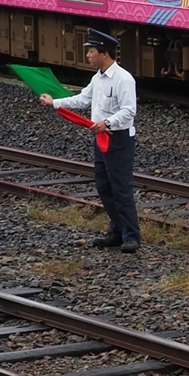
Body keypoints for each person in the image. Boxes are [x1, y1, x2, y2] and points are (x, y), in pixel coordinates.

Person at [46, 31, 140, 251]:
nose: (88, 55)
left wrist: (107, 123)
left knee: (121, 188)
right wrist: (54, 103)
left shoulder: (123, 79)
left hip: (118, 139)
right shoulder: (98, 78)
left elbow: (129, 110)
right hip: (101, 137)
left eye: (91, 51)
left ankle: (131, 236)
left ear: (104, 53)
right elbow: (83, 99)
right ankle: (117, 231)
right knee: (104, 187)